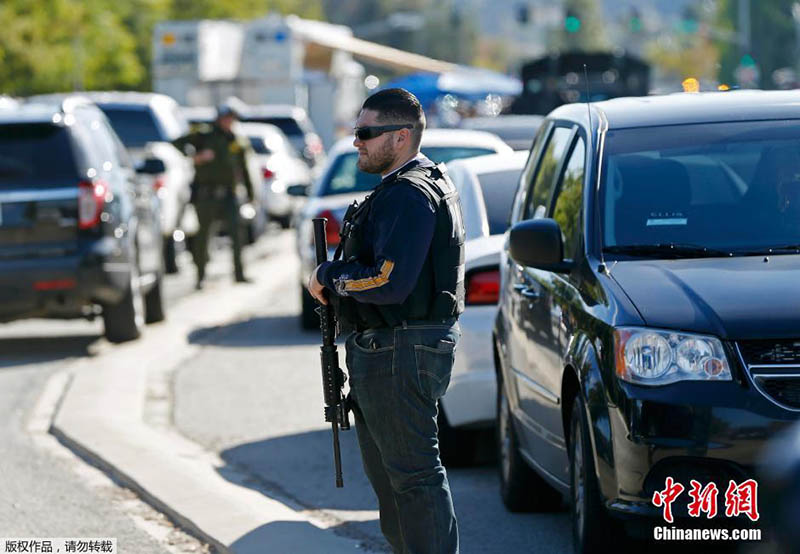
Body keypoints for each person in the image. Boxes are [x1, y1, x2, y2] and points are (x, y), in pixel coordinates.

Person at [307, 88, 465, 554]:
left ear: (400, 137)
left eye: (365, 133)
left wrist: (328, 276)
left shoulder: (409, 194)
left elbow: (387, 280)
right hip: (395, 347)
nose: (356, 142)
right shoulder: (412, 185)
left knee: (414, 479)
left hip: (399, 349)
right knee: (396, 483)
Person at [172, 99, 254, 289]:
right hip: (206, 195)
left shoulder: (236, 140)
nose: (228, 122)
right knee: (203, 236)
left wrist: (250, 194)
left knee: (237, 233)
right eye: (226, 118)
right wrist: (195, 157)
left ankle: (239, 274)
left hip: (229, 194)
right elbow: (177, 143)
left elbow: (244, 169)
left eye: (231, 119)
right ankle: (200, 276)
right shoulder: (204, 134)